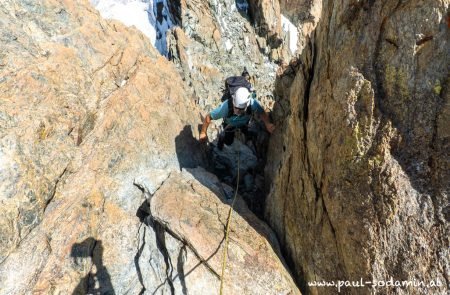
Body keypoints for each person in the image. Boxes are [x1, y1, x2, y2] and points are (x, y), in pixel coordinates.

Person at [199, 86, 275, 149]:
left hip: (244, 123)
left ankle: (246, 135)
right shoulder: (226, 107)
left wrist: (268, 124)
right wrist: (203, 132)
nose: (237, 111)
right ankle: (222, 138)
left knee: (248, 133)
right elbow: (208, 117)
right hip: (230, 125)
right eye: (236, 108)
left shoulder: (252, 103)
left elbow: (261, 112)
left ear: (247, 105)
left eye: (240, 109)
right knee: (228, 142)